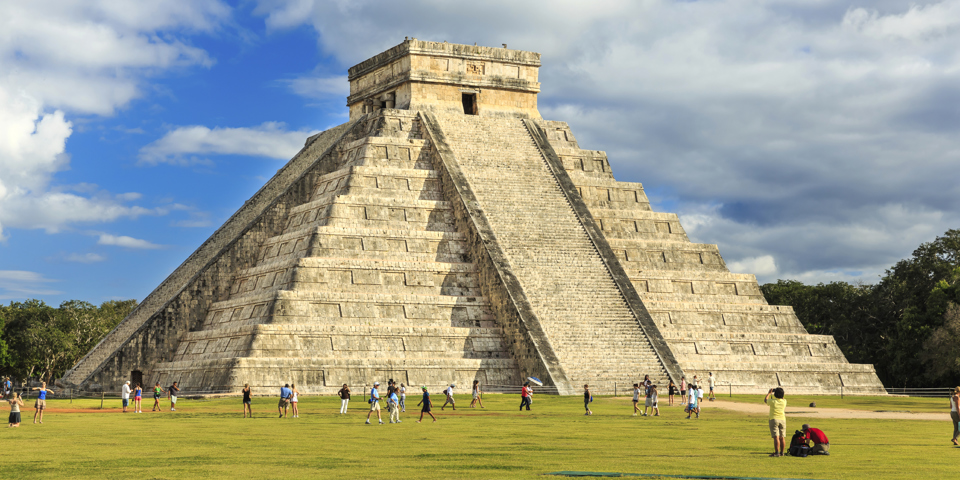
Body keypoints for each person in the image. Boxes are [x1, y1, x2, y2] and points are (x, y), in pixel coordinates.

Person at [764, 387, 787, 457]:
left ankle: (777, 452)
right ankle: (782, 452)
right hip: (782, 419)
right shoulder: (784, 401)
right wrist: (780, 393)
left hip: (774, 419)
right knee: (782, 437)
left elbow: (765, 400)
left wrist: (769, 393)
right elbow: (782, 398)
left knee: (776, 437)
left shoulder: (773, 401)